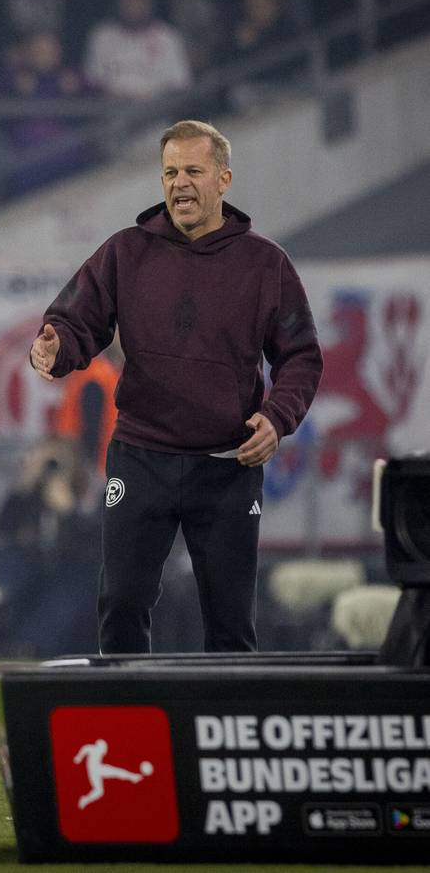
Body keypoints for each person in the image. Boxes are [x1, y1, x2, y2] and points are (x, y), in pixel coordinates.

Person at [30, 119, 322, 655]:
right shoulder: (125, 252)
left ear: (223, 179)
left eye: (193, 170)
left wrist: (278, 417)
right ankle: (126, 710)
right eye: (169, 173)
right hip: (141, 456)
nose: (179, 183)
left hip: (229, 464)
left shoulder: (266, 263)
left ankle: (221, 715)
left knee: (231, 625)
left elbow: (301, 356)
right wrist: (55, 347)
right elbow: (73, 322)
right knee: (121, 604)